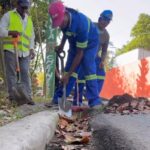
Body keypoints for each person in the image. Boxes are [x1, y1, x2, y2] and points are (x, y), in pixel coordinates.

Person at [48, 1, 102, 108]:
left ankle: (94, 102)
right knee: (68, 69)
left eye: (60, 21)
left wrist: (67, 76)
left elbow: (79, 54)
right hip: (74, 43)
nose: (60, 24)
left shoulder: (81, 24)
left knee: (88, 66)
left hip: (90, 43)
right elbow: (65, 32)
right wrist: (62, 45)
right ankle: (58, 99)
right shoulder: (63, 21)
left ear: (65, 13)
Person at [73, 10, 113, 106]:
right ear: (100, 18)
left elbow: (104, 50)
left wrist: (102, 60)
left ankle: (93, 98)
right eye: (105, 20)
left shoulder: (106, 36)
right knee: (80, 77)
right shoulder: (91, 26)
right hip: (82, 54)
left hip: (94, 57)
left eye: (108, 21)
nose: (106, 23)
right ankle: (77, 101)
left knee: (101, 74)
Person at [0, 0, 35, 105]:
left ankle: (27, 97)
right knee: (11, 73)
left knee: (25, 72)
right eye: (23, 7)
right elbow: (0, 30)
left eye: (26, 8)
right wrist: (10, 32)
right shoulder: (8, 16)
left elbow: (31, 36)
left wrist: (32, 49)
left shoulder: (29, 20)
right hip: (11, 49)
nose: (24, 10)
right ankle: (13, 98)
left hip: (24, 51)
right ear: (17, 5)